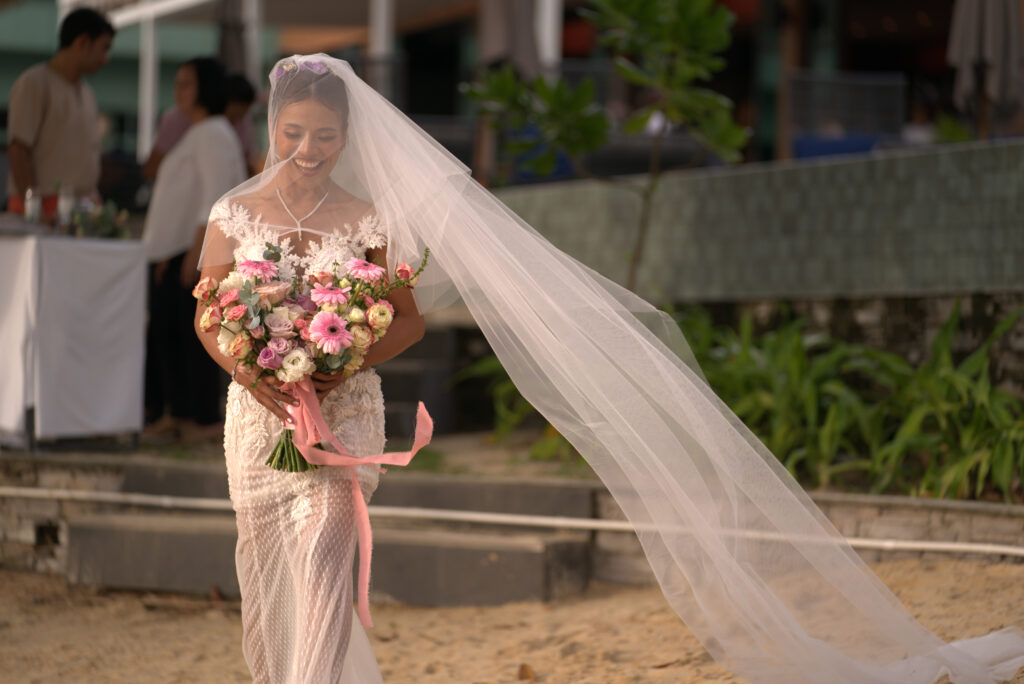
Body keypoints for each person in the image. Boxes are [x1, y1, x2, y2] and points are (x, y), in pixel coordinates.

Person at [195, 55, 1024, 683]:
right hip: (257, 414)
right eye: (293, 133)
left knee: (328, 549)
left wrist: (337, 366)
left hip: (342, 416)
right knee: (266, 566)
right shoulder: (233, 211)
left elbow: (405, 321)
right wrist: (247, 368)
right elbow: (207, 309)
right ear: (273, 125)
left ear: (349, 136)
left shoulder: (372, 217)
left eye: (326, 136)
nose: (308, 150)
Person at [143, 57, 247, 440]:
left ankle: (202, 418)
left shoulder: (215, 133)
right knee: (170, 335)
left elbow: (215, 200)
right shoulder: (199, 131)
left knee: (193, 335)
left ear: (206, 87)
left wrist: (195, 254)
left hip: (194, 251)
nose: (178, 91)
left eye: (187, 83)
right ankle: (181, 413)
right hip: (174, 249)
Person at [5, 7, 114, 219]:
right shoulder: (35, 82)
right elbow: (18, 151)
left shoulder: (87, 92)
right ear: (83, 42)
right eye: (104, 48)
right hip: (42, 211)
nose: (105, 58)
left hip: (83, 211)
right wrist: (33, 211)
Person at [143, 73, 258, 181]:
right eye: (232, 117)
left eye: (239, 117)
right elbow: (151, 169)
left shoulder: (243, 123)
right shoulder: (176, 120)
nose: (233, 123)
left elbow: (245, 165)